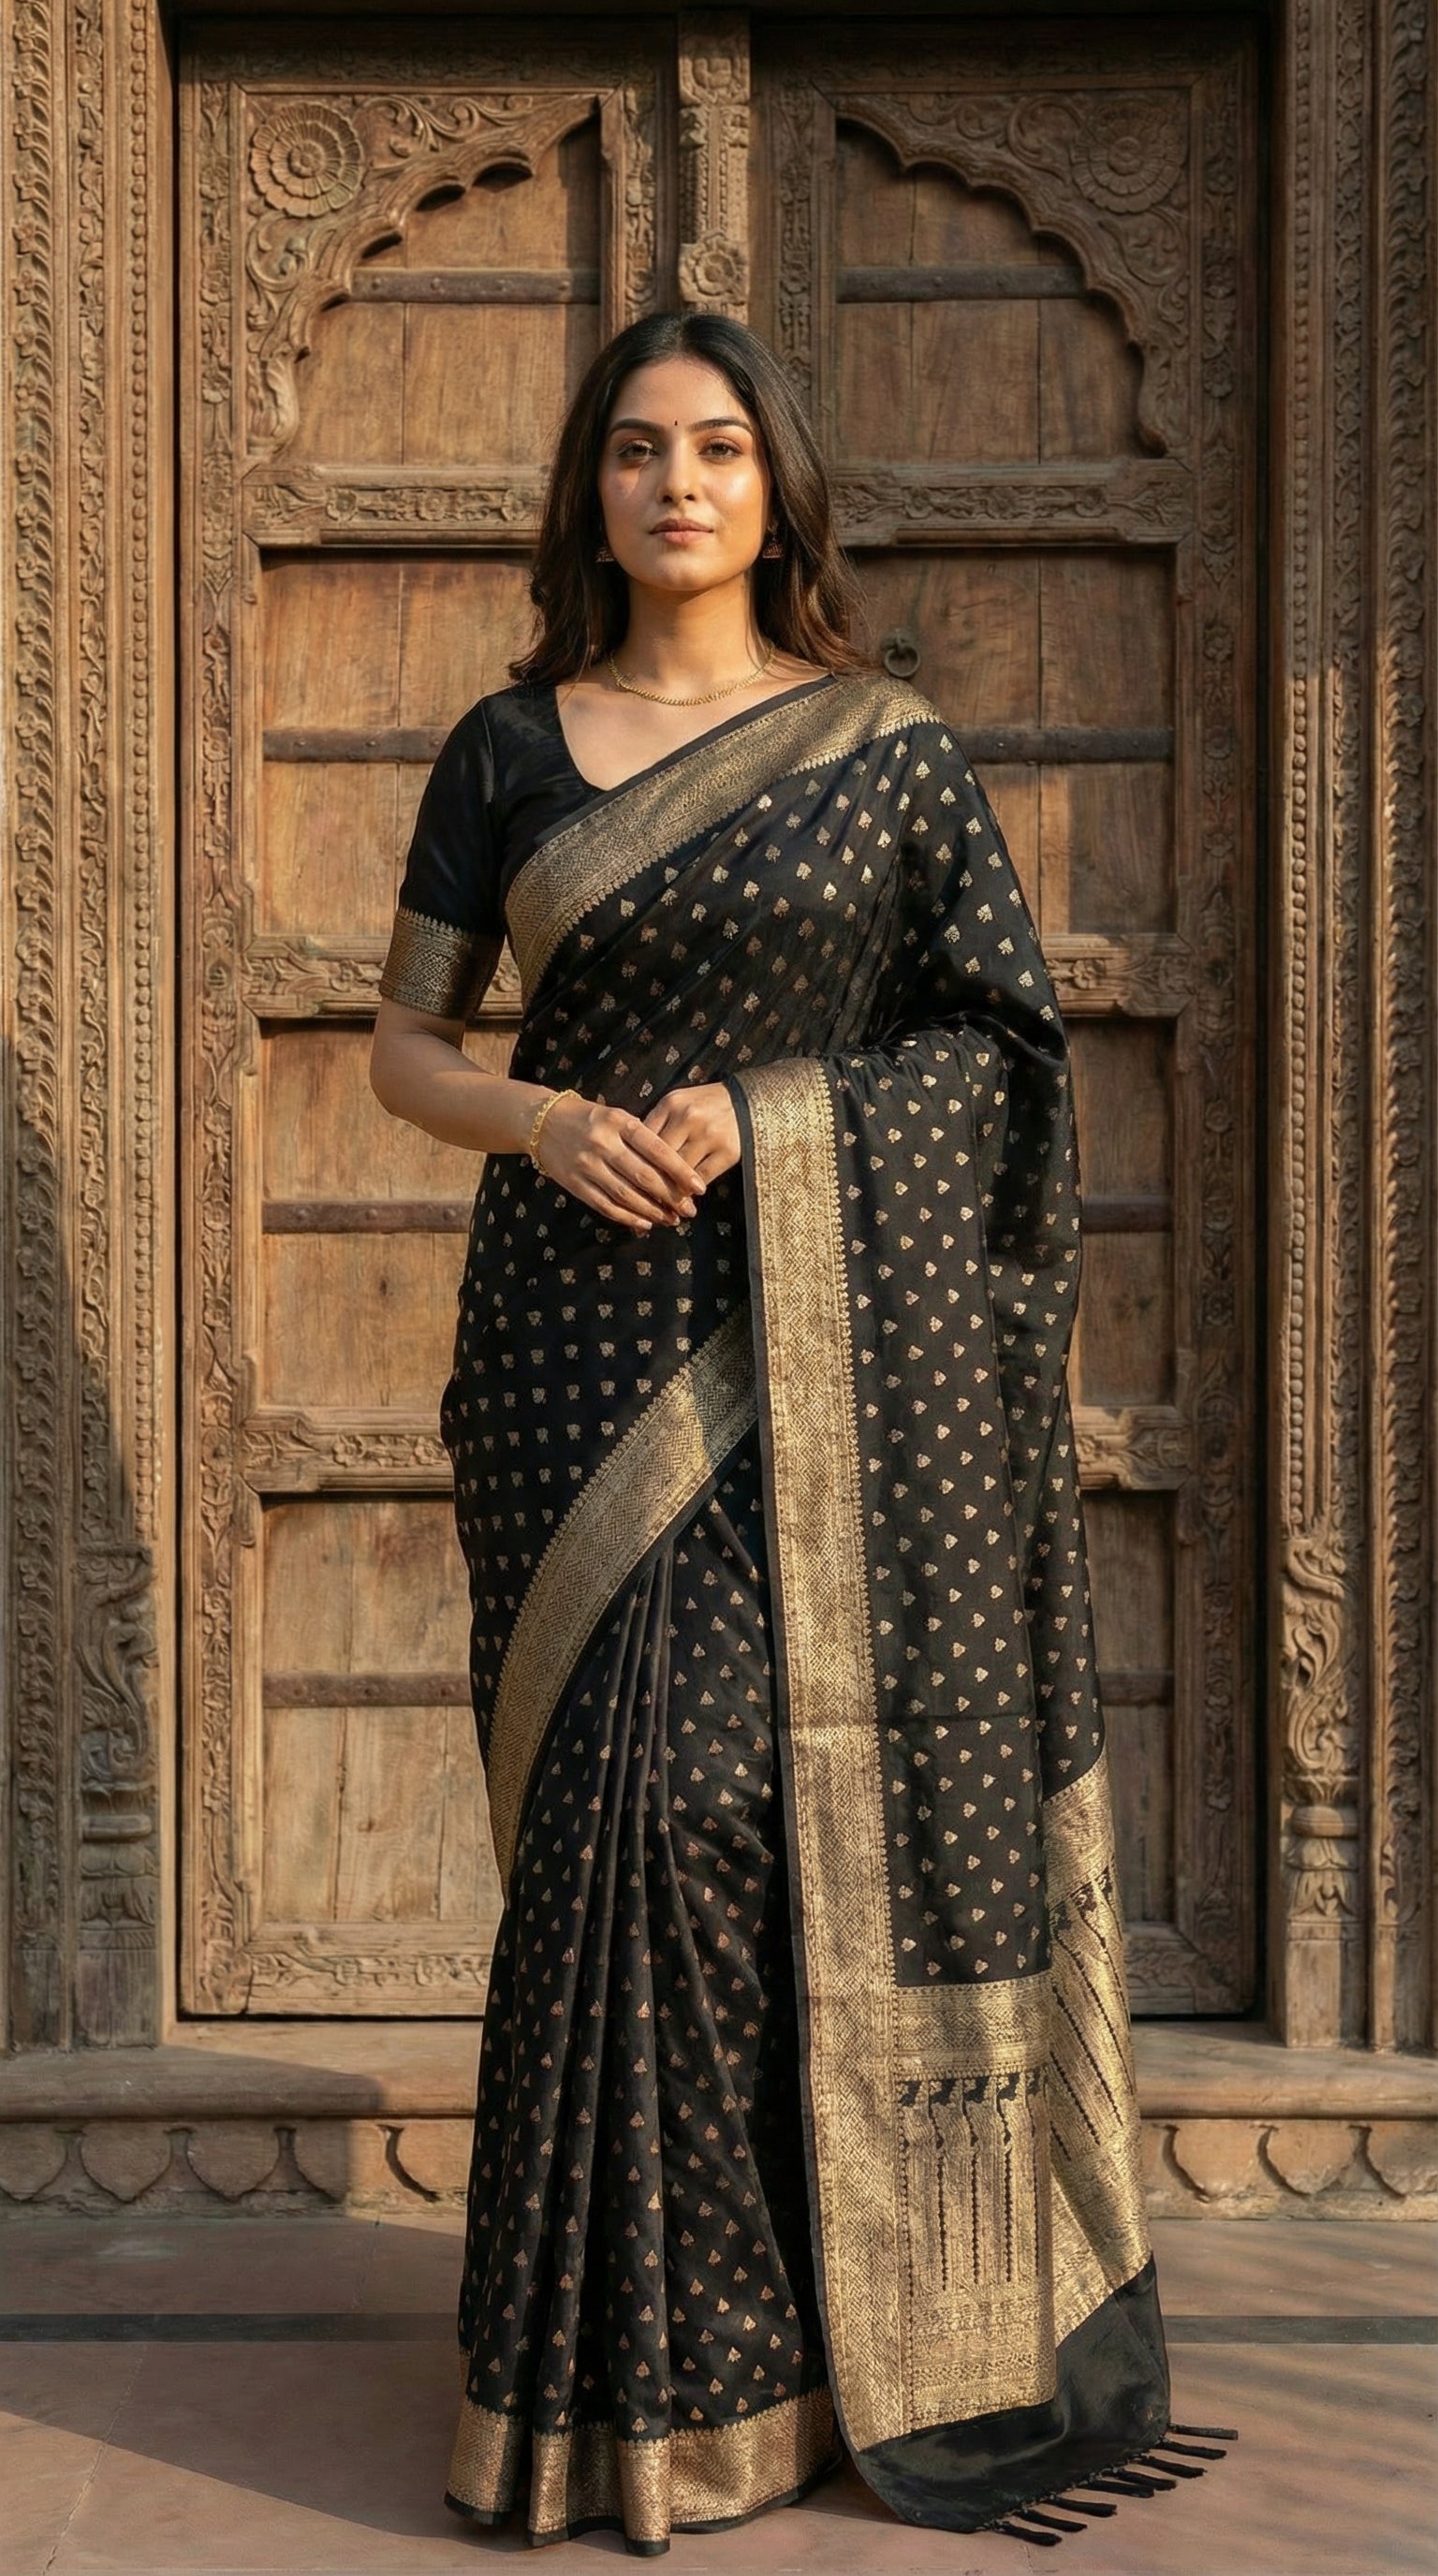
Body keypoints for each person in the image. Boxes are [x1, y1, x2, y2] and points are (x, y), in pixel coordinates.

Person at [370, 310, 1199, 2555]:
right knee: (607, 1838)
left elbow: (1005, 1055)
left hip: (838, 1368)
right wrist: (549, 1120)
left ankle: (803, 2350)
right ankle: (609, 2395)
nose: (678, 485)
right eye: (639, 449)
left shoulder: (886, 750)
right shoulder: (508, 747)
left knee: (728, 1805)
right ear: (591, 488)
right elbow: (408, 1046)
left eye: (721, 447)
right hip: (572, 1350)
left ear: (777, 487)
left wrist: (774, 1111)